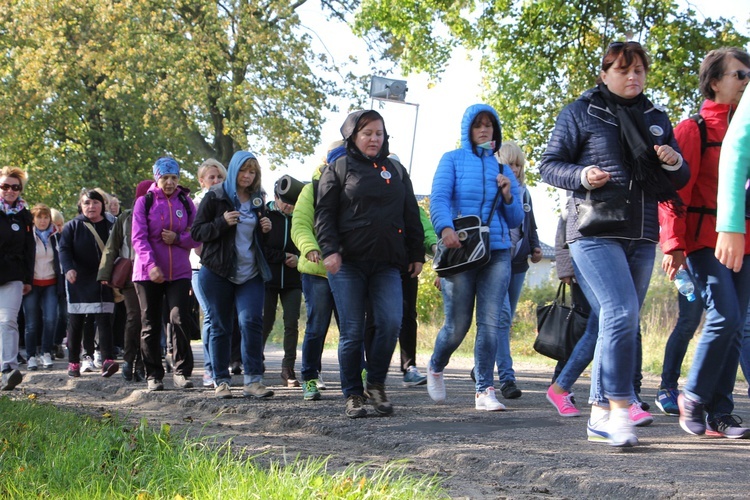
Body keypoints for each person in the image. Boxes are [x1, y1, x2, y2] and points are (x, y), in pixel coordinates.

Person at [539, 41, 689, 447]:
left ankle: (600, 412)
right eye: (623, 69)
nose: (633, 76)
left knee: (617, 319)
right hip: (594, 229)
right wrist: (583, 176)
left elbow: (678, 175)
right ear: (604, 74)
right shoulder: (580, 111)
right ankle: (621, 408)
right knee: (620, 310)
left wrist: (673, 161)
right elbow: (549, 164)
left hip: (641, 232)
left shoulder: (656, 117)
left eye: (639, 69)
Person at [660, 48, 750, 438]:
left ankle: (721, 412)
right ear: (715, 82)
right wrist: (673, 244)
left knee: (736, 325)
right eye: (739, 74)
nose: (746, 81)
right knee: (725, 315)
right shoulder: (691, 129)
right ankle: (692, 394)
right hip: (702, 241)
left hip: (745, 242)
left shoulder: (746, 128)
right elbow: (674, 192)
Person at [315, 109, 424, 418]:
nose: (374, 138)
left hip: (388, 262)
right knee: (352, 330)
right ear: (353, 137)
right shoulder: (337, 168)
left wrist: (416, 253)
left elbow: (411, 214)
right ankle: (352, 394)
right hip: (347, 263)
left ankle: (375, 385)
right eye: (367, 133)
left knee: (390, 322)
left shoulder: (396, 171)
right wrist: (330, 250)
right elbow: (324, 214)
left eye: (379, 133)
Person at [426, 104, 524, 412]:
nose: (484, 130)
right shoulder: (452, 159)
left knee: (490, 322)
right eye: (478, 125)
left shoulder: (502, 169)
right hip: (461, 250)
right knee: (458, 324)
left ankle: (484, 390)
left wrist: (508, 194)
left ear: (495, 131)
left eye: (489, 126)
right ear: (468, 130)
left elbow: (515, 219)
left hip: (496, 251)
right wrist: (444, 228)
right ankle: (436, 364)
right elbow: (439, 197)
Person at [191, 151, 273, 399]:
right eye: (243, 171)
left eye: (252, 172)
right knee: (220, 326)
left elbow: (261, 240)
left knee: (251, 322)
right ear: (234, 170)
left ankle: (253, 380)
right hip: (217, 272)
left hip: (250, 273)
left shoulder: (258, 199)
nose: (247, 176)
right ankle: (221, 381)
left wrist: (266, 228)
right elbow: (196, 232)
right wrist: (221, 222)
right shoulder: (215, 197)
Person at [132, 157, 199, 391]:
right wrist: (151, 265)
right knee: (150, 324)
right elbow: (138, 238)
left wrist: (179, 239)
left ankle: (181, 372)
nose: (169, 182)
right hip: (147, 272)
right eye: (165, 178)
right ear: (157, 178)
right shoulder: (145, 202)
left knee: (179, 318)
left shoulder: (186, 201)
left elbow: (198, 234)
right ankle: (153, 375)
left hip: (179, 271)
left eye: (174, 178)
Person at [292, 141, 345, 401]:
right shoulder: (311, 189)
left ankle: (358, 375)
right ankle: (310, 377)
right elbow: (300, 224)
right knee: (317, 325)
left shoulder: (355, 186)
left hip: (348, 270)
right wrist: (310, 247)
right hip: (316, 270)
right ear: (327, 163)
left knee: (352, 326)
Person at [494, 141, 542, 399]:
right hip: (496, 261)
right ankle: (507, 378)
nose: (513, 168)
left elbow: (530, 223)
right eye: (509, 163)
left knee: (505, 320)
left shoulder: (525, 193)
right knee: (500, 319)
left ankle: (483, 362)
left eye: (517, 164)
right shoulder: (492, 188)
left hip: (519, 263)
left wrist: (535, 247)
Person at [59, 189, 120, 378]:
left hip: (103, 276)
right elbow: (64, 249)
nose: (91, 206)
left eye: (95, 202)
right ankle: (74, 362)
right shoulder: (72, 226)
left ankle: (107, 359)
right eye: (87, 203)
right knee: (76, 322)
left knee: (104, 319)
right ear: (81, 205)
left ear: (102, 205)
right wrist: (68, 268)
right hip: (78, 279)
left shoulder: (112, 225)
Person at [98, 180, 153, 383]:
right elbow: (111, 246)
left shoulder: (161, 214)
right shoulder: (125, 217)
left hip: (154, 275)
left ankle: (143, 363)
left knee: (149, 321)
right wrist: (104, 273)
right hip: (131, 275)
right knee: (134, 318)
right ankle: (130, 360)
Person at [261, 176, 303, 387]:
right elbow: (260, 248)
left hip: (294, 280)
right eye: (285, 201)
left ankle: (288, 368)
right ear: (275, 197)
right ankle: (255, 361)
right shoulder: (266, 216)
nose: (288, 206)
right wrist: (282, 257)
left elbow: (305, 244)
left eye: (292, 203)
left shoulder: (300, 218)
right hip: (269, 278)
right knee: (265, 321)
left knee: (291, 323)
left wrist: (298, 259)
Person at [189, 159, 227, 388]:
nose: (215, 181)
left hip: (224, 267)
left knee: (222, 317)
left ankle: (222, 364)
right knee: (211, 316)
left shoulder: (229, 200)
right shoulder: (194, 204)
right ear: (201, 181)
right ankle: (210, 369)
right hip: (199, 267)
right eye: (211, 177)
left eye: (219, 177)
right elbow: (195, 236)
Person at [0, 167, 34, 390]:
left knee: (8, 321)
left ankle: (8, 369)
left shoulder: (24, 216)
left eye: (15, 187)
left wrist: (27, 279)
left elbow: (29, 249)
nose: (10, 191)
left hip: (13, 274)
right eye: (5, 186)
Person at [22, 204, 59, 371]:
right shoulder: (27, 236)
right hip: (32, 284)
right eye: (39, 218)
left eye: (46, 218)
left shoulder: (56, 236)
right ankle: (30, 356)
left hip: (50, 283)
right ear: (33, 219)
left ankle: (46, 352)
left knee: (51, 319)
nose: (43, 221)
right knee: (31, 323)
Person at [50, 208, 68, 360]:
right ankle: (47, 346)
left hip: (64, 279)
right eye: (55, 224)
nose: (58, 228)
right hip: (50, 279)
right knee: (50, 316)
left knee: (63, 315)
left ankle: (56, 343)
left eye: (60, 224)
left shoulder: (65, 237)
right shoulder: (47, 239)